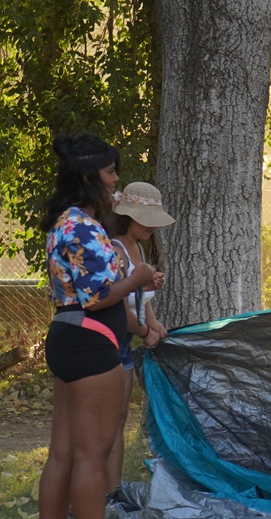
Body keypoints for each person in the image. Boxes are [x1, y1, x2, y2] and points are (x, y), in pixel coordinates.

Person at [34, 133, 160, 519]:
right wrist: (139, 276)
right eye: (110, 171)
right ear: (89, 177)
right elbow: (100, 295)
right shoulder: (84, 227)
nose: (115, 179)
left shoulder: (61, 223)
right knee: (91, 457)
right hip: (93, 342)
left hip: (65, 335)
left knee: (62, 456)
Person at [103, 181, 175, 492]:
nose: (150, 227)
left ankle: (113, 488)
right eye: (145, 219)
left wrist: (155, 324)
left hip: (125, 344)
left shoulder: (140, 248)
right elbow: (119, 309)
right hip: (110, 342)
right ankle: (98, 490)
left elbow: (139, 299)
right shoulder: (115, 249)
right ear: (128, 216)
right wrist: (145, 331)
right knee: (106, 424)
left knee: (119, 420)